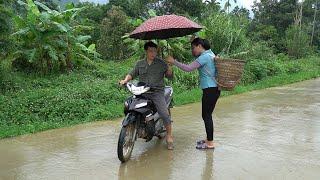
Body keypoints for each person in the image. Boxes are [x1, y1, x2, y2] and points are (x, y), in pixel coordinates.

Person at [166, 38, 220, 150]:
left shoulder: (204, 57)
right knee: (207, 115)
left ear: (199, 46)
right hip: (214, 89)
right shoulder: (211, 54)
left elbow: (188, 68)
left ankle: (210, 143)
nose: (193, 50)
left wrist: (174, 62)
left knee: (206, 116)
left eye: (193, 48)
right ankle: (208, 139)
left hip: (210, 89)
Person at [119, 41, 174, 150]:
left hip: (156, 92)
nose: (153, 53)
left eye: (155, 51)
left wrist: (169, 65)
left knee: (164, 113)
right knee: (129, 105)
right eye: (150, 51)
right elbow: (132, 73)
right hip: (142, 91)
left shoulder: (161, 63)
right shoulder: (139, 63)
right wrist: (125, 80)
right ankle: (139, 125)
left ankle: (169, 136)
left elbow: (170, 76)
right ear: (146, 51)